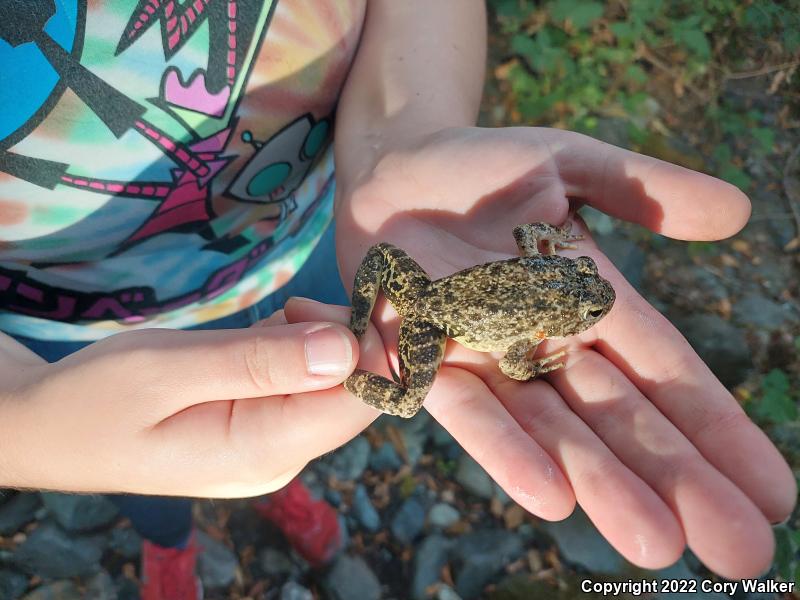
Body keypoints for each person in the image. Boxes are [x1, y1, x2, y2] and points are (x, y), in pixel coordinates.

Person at [0, 1, 795, 598]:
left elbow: (523, 270)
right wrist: (20, 411)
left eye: (583, 301)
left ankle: (283, 479)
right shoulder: (546, 313)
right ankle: (169, 537)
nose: (591, 305)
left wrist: (403, 138)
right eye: (584, 304)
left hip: (317, 244)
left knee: (283, 405)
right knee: (378, 400)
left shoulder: (537, 276)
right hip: (73, 324)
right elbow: (518, 357)